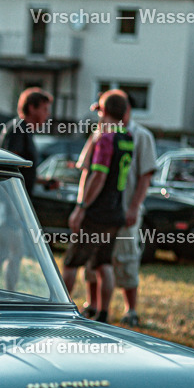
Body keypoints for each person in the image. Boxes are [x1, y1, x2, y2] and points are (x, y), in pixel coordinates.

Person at [75, 90, 156, 326]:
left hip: (124, 210)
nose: (100, 115)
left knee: (126, 258)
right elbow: (87, 171)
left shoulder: (141, 136)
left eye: (101, 110)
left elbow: (145, 177)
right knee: (95, 261)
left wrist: (134, 207)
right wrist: (83, 204)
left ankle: (131, 309)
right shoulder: (100, 133)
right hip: (99, 212)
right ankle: (94, 305)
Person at [61, 91, 133, 322]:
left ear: (105, 111)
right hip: (115, 211)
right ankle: (103, 312)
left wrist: (81, 207)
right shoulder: (126, 136)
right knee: (104, 263)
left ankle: (59, 307)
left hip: (97, 212)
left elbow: (98, 177)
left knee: (72, 261)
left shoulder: (106, 138)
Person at [0, 88, 52, 290]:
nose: (48, 115)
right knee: (11, 251)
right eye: (45, 109)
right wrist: (13, 204)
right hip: (8, 201)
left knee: (6, 251)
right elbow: (9, 166)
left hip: (13, 201)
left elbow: (24, 170)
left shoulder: (25, 131)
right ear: (32, 108)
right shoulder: (18, 129)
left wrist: (44, 182)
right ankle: (1, 293)